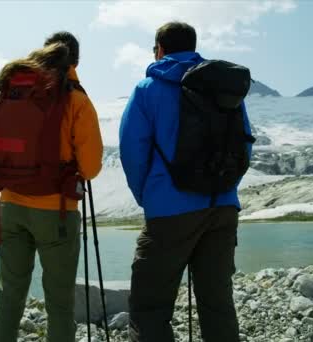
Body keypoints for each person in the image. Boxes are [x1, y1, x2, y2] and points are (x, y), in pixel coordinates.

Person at [119, 22, 253, 342]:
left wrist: (149, 197)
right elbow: (245, 145)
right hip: (222, 208)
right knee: (217, 303)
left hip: (169, 210)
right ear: (194, 47)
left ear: (160, 49)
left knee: (150, 305)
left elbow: (132, 151)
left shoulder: (148, 89)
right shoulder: (225, 87)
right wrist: (224, 187)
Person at [0, 32, 103, 342]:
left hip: (9, 205)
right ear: (75, 61)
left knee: (8, 298)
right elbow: (90, 168)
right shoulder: (75, 98)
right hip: (56, 213)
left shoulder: (14, 90)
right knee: (60, 303)